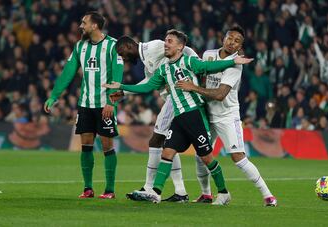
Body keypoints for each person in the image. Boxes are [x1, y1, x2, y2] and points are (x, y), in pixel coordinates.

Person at [103, 29, 253, 205]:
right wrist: (121, 86)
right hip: (179, 117)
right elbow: (148, 86)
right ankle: (155, 192)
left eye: (169, 41)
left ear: (180, 46)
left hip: (194, 115)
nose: (165, 44)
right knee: (167, 152)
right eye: (166, 40)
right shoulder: (164, 68)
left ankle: (223, 192)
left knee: (206, 157)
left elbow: (208, 67)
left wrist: (232, 61)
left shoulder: (189, 61)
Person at [176, 25, 277, 206]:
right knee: (202, 153)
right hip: (208, 114)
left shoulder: (236, 64)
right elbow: (202, 76)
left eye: (237, 41)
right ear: (223, 38)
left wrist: (193, 87)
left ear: (240, 47)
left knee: (238, 157)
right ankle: (206, 194)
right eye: (230, 38)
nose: (232, 42)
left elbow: (220, 94)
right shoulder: (208, 54)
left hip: (227, 116)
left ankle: (268, 196)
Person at [44, 11, 123, 199]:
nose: (81, 26)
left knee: (107, 146)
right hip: (85, 104)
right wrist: (54, 96)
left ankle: (109, 190)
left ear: (95, 26)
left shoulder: (113, 46)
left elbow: (118, 76)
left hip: (104, 104)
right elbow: (68, 72)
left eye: (84, 22)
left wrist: (112, 102)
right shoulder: (80, 46)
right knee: (86, 145)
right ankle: (88, 188)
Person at [110, 35, 198, 202]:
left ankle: (149, 187)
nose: (123, 58)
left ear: (129, 46)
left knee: (155, 140)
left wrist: (195, 65)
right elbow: (149, 82)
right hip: (172, 97)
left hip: (178, 97)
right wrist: (124, 93)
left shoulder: (155, 47)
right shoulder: (147, 61)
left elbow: (184, 49)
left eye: (122, 53)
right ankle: (180, 192)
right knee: (169, 143)